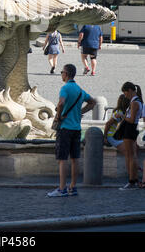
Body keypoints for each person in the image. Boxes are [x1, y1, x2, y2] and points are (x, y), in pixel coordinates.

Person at [48, 64, 96, 197]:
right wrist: (80, 111)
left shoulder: (65, 88)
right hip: (76, 129)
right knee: (75, 159)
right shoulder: (80, 90)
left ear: (66, 74)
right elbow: (93, 102)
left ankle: (62, 188)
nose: (61, 74)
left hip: (65, 128)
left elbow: (61, 102)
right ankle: (73, 187)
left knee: (62, 159)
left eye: (62, 72)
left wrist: (59, 116)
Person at [119, 82, 143, 190]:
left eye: (125, 92)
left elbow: (132, 119)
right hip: (133, 129)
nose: (125, 95)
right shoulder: (138, 101)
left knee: (130, 155)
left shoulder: (134, 103)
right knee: (132, 155)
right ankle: (134, 179)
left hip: (130, 128)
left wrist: (123, 116)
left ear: (129, 90)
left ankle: (131, 180)